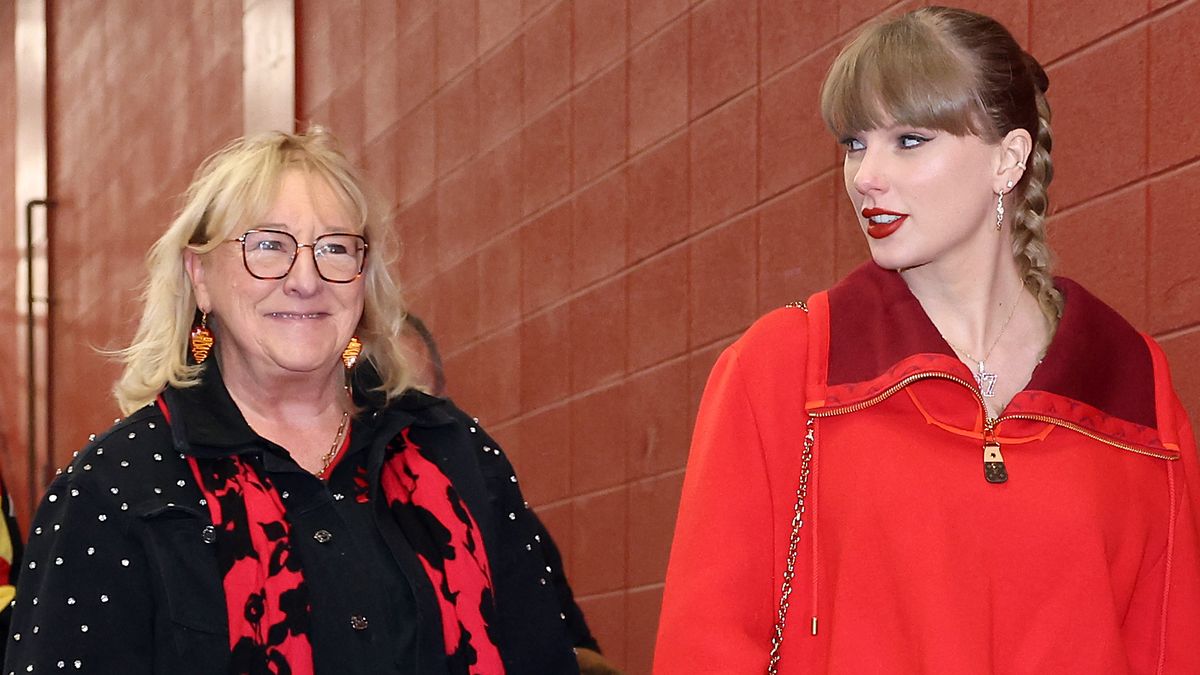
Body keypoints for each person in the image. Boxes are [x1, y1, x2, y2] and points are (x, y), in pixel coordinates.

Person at [654, 6, 1200, 674]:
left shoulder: (1132, 386)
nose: (865, 176)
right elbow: (703, 645)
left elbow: (1173, 641)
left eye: (909, 140)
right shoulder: (786, 367)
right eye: (855, 143)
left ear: (1009, 159)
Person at [3, 128, 579, 674]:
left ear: (363, 277)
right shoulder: (115, 489)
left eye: (334, 248)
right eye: (269, 246)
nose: (306, 278)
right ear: (199, 275)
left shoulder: (453, 454)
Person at [400, 314, 623, 675]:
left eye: (419, 407)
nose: (401, 433)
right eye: (386, 409)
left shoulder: (499, 514)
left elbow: (573, 650)